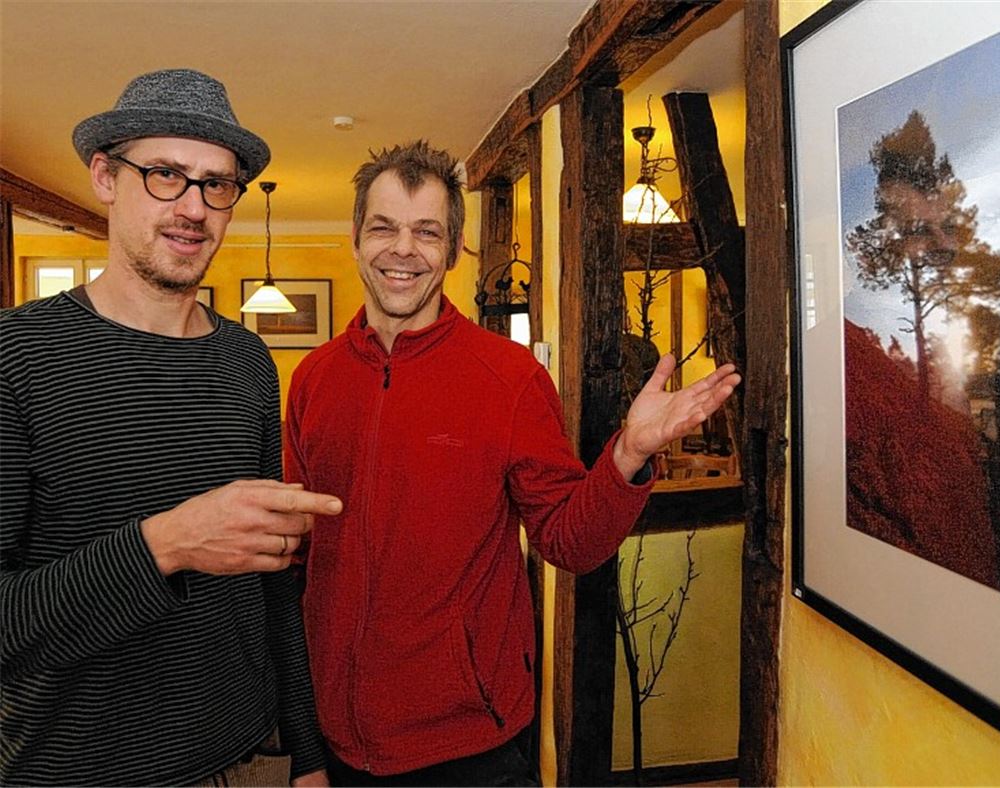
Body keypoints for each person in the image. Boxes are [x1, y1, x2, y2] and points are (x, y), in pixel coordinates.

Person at [285, 140, 741, 786]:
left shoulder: (509, 377)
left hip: (473, 744)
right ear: (357, 236)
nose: (403, 250)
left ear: (453, 250)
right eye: (384, 227)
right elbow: (298, 564)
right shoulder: (313, 380)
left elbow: (568, 540)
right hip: (339, 742)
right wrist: (305, 746)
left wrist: (630, 454)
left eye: (427, 232)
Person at [0, 69, 340, 786]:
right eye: (166, 175)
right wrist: (168, 544)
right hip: (75, 772)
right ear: (104, 176)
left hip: (249, 759)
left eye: (218, 185)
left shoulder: (247, 359)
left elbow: (272, 585)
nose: (194, 207)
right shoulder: (15, 356)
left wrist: (306, 755)